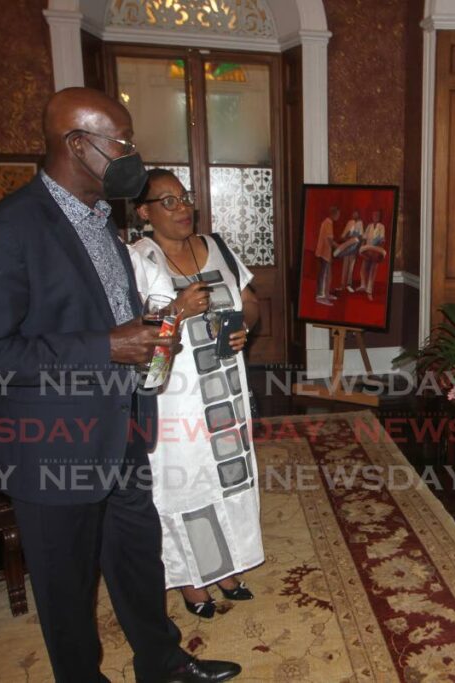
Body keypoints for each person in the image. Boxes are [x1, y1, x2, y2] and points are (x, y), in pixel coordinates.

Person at [0, 88, 240, 682]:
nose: (133, 153)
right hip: (51, 444)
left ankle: (161, 662)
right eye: (123, 143)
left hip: (124, 429)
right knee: (68, 589)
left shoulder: (100, 223)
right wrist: (107, 346)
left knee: (137, 562)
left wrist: (148, 340)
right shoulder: (8, 229)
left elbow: (100, 313)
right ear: (77, 144)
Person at [129, 169, 264, 620]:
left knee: (227, 476)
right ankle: (191, 578)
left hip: (225, 388)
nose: (182, 208)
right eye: (166, 202)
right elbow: (133, 335)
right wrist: (176, 310)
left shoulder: (217, 245)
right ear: (144, 212)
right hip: (176, 397)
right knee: (186, 484)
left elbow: (251, 300)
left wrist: (243, 325)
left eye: (184, 198)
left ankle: (226, 568)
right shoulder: (138, 260)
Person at [357, 209, 387, 299]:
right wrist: (361, 249)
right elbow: (364, 238)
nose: (375, 217)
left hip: (375, 251)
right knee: (363, 268)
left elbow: (382, 240)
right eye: (374, 215)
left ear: (379, 217)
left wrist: (377, 251)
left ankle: (369, 291)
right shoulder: (369, 226)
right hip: (367, 249)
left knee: (372, 270)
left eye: (377, 215)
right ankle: (363, 285)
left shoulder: (381, 226)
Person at [315, 206, 339, 305]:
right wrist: (339, 246)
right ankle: (320, 296)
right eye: (338, 214)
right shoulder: (328, 223)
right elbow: (329, 240)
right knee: (324, 275)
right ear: (334, 214)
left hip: (326, 253)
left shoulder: (328, 222)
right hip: (324, 253)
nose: (339, 216)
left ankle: (327, 293)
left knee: (328, 274)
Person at [337, 208, 364, 293]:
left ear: (358, 214)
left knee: (351, 266)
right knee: (345, 265)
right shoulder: (349, 222)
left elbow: (361, 236)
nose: (354, 215)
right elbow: (343, 235)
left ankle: (349, 284)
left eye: (356, 213)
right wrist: (346, 238)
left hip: (354, 247)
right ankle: (342, 285)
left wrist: (358, 245)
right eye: (353, 213)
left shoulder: (360, 223)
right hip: (347, 246)